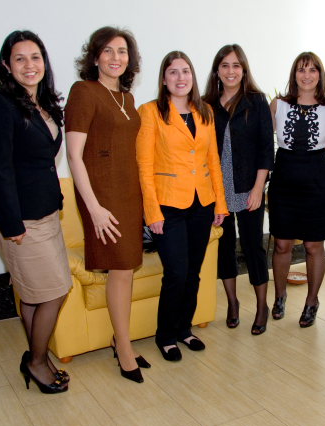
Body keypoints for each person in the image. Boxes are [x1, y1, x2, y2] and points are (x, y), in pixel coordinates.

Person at [0, 30, 71, 394]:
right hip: (21, 220)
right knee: (54, 291)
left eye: (35, 57)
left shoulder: (42, 101)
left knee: (37, 293)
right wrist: (11, 222)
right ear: (7, 65)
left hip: (46, 212)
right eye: (20, 58)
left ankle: (38, 355)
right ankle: (35, 361)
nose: (29, 65)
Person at [65, 27, 149, 383]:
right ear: (95, 56)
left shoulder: (127, 98)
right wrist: (94, 208)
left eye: (123, 51)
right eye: (109, 50)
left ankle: (120, 339)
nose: (116, 58)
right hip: (103, 196)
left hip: (130, 193)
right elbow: (74, 156)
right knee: (121, 268)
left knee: (126, 269)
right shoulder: (83, 92)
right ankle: (125, 349)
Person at [137, 51, 228, 362]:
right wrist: (152, 212)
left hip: (202, 203)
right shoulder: (150, 112)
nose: (180, 78)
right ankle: (165, 336)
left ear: (193, 76)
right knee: (175, 272)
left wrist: (220, 203)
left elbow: (213, 160)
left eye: (185, 71)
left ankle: (184, 329)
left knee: (193, 273)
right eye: (173, 72)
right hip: (168, 205)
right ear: (164, 79)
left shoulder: (205, 111)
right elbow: (144, 166)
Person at [203, 45, 274, 335]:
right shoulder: (207, 104)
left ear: (244, 70)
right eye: (225, 66)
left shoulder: (256, 101)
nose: (230, 71)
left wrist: (258, 188)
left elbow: (266, 148)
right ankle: (232, 303)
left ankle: (261, 306)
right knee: (224, 248)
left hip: (248, 188)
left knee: (253, 246)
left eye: (236, 65)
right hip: (217, 191)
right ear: (217, 71)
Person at [268, 52, 325, 328]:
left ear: (320, 75)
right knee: (282, 244)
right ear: (294, 74)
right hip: (284, 178)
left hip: (317, 180)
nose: (307, 75)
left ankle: (312, 301)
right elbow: (263, 140)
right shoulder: (278, 104)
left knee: (313, 245)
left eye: (312, 70)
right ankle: (280, 295)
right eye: (301, 70)